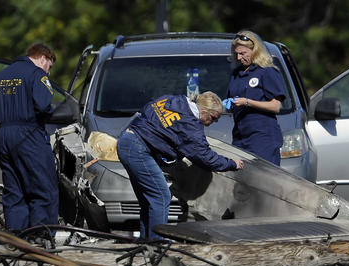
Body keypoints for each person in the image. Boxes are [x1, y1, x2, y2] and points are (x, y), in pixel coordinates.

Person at [116, 91, 244, 240]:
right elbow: (206, 157)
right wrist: (231, 163)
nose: (214, 122)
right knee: (161, 197)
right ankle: (156, 246)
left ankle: (145, 242)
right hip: (138, 150)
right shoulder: (191, 126)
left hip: (127, 140)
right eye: (213, 118)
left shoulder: (174, 99)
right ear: (204, 112)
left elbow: (147, 109)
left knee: (148, 200)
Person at [0, 43, 58, 233]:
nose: (48, 72)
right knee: (43, 188)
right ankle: (41, 236)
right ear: (43, 58)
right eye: (49, 67)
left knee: (14, 189)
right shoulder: (37, 74)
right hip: (29, 134)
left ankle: (16, 237)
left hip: (3, 137)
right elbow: (44, 106)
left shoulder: (1, 76)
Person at [226, 30, 286, 166]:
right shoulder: (236, 73)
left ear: (255, 50)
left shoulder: (266, 71)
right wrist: (228, 104)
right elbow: (231, 101)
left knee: (264, 179)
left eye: (243, 53)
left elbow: (276, 106)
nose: (239, 57)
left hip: (262, 137)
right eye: (236, 54)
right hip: (240, 136)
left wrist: (247, 102)